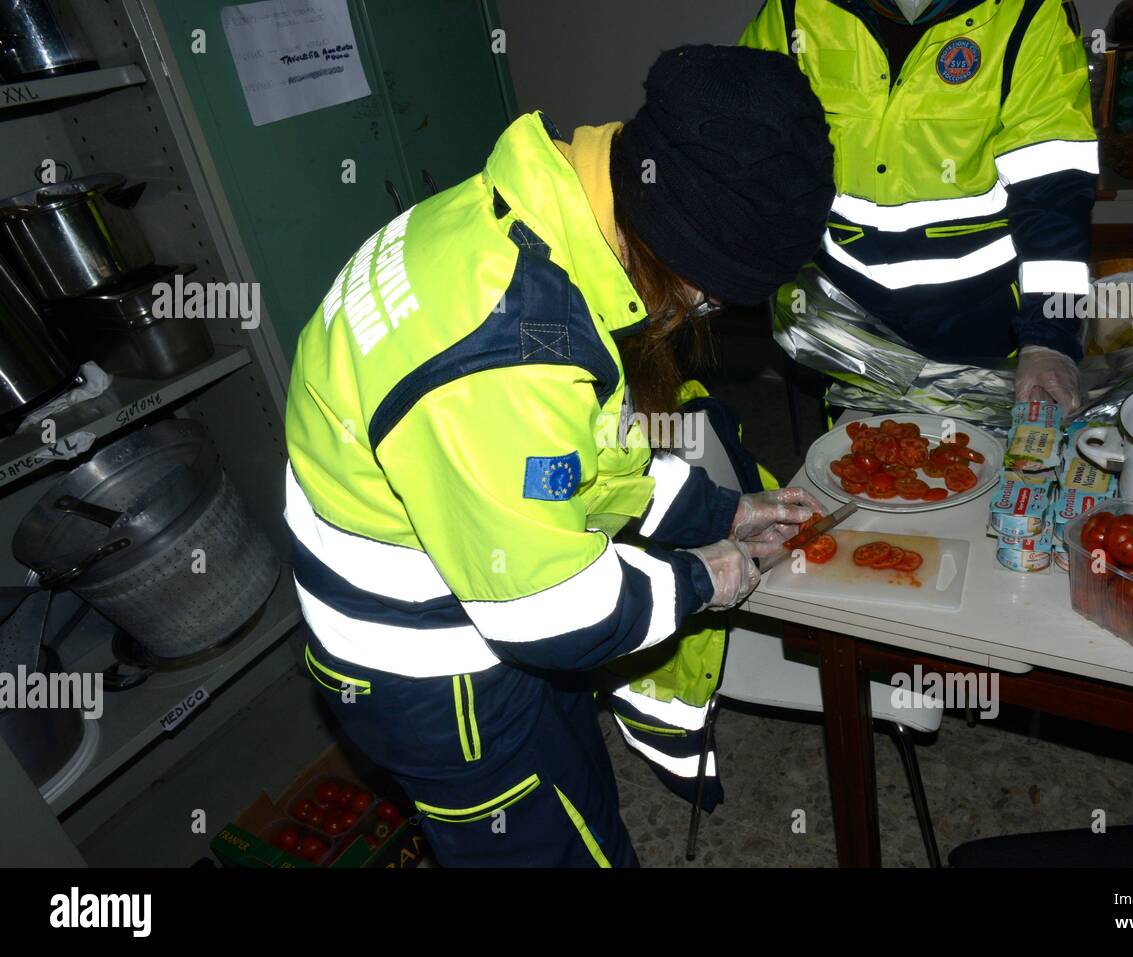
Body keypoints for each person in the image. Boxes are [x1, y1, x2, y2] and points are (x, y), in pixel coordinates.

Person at [283, 45, 836, 867]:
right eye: (709, 295)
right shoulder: (507, 347)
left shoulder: (535, 226)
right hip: (439, 676)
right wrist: (707, 577)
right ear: (676, 242)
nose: (698, 313)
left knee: (576, 794)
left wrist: (721, 510)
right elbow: (551, 613)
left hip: (479, 599)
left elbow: (574, 456)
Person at [740, 0, 1098, 411]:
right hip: (844, 315)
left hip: (980, 319)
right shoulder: (794, 10)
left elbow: (1055, 189)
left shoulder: (1029, 13)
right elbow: (746, 142)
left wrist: (1049, 339)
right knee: (853, 460)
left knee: (981, 463)